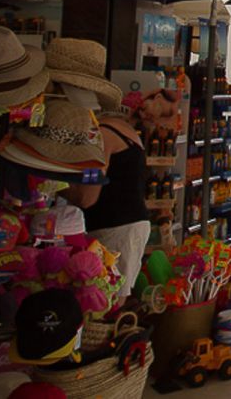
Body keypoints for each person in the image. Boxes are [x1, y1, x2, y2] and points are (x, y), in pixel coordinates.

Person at [46, 38, 150, 304]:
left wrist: (56, 186)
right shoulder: (121, 129)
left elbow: (89, 196)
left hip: (115, 228)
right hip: (128, 223)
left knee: (106, 302)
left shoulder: (101, 135)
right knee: (110, 298)